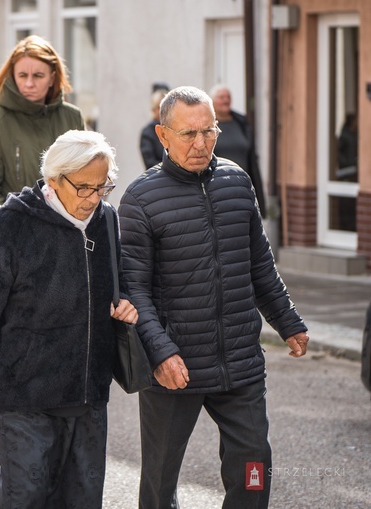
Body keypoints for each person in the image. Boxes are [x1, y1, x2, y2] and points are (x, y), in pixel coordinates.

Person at [117, 86, 310, 509]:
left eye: (209, 131)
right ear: (163, 135)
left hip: (239, 359)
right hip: (175, 366)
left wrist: (288, 320)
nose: (201, 143)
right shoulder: (140, 199)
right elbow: (135, 290)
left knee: (254, 466)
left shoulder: (237, 182)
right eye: (188, 134)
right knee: (160, 481)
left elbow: (259, 264)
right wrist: (160, 353)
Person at [0, 130, 138, 507]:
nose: (93, 199)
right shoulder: (14, 224)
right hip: (24, 395)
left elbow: (122, 280)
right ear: (54, 180)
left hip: (87, 393)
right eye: (83, 187)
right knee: (28, 499)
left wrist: (126, 302)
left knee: (83, 500)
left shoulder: (107, 219)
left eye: (103, 187)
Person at [0, 35, 86, 204]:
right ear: (13, 76)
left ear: (52, 78)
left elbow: (89, 178)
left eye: (38, 75)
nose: (29, 83)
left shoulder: (72, 117)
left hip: (70, 225)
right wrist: (19, 220)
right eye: (22, 75)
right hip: (17, 226)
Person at [210, 84, 267, 217]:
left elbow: (252, 159)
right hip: (219, 189)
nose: (226, 100)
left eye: (228, 97)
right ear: (212, 102)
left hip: (243, 188)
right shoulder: (208, 126)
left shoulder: (241, 122)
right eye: (221, 97)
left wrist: (260, 201)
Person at [139, 89, 167, 168]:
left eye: (165, 107)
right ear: (154, 110)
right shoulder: (147, 132)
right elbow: (149, 162)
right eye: (159, 107)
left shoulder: (175, 128)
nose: (163, 110)